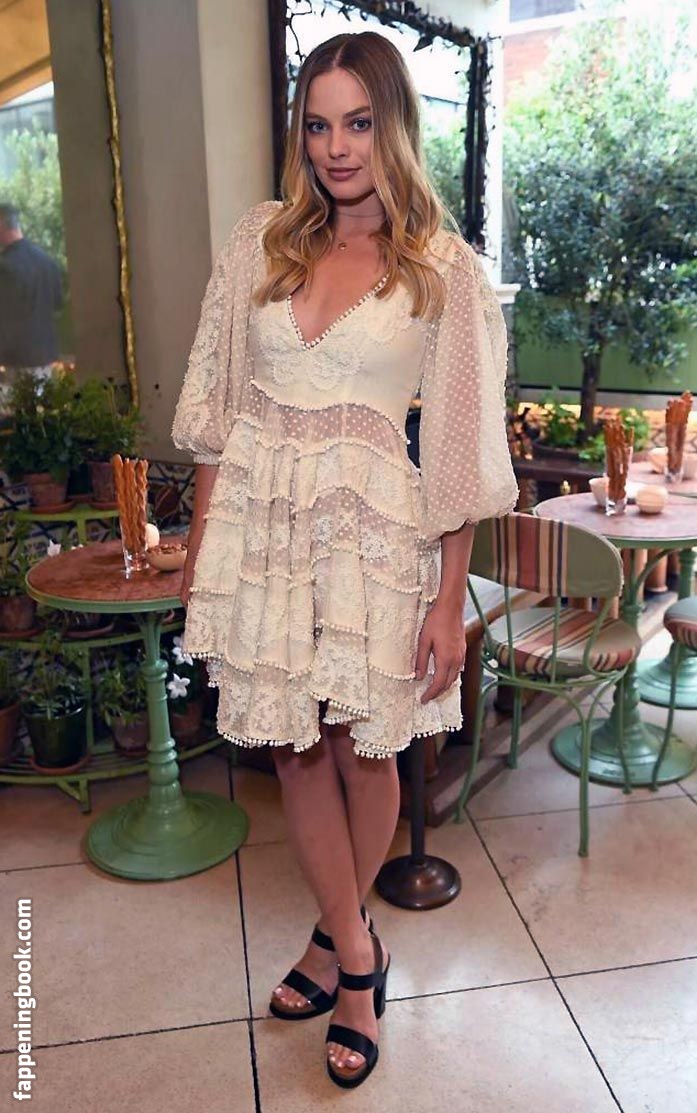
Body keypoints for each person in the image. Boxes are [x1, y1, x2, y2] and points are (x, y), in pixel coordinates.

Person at [171, 31, 518, 1089]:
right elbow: (219, 414)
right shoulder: (260, 240)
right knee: (291, 747)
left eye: (358, 123)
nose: (336, 147)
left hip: (372, 540)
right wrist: (201, 552)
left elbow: (457, 452)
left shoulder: (442, 268)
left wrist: (448, 603)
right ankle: (355, 943)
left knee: (366, 749)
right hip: (264, 535)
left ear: (393, 126)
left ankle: (340, 951)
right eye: (318, 124)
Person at [0, 203, 63, 415]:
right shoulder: (47, 262)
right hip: (45, 358)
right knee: (42, 420)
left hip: (16, 362)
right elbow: (57, 305)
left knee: (18, 420)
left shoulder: (5, 267)